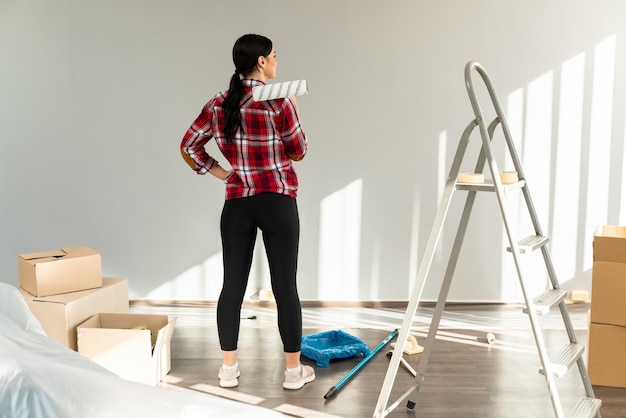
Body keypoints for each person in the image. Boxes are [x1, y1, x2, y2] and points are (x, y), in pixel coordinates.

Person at [180, 34, 314, 390]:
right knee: (285, 287)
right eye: (273, 56)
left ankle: (228, 370)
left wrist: (222, 172)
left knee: (232, 287)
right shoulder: (279, 100)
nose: (276, 62)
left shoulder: (219, 102)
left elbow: (189, 146)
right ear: (260, 63)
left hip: (237, 202)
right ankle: (292, 373)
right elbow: (299, 151)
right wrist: (295, 107)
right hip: (277, 199)